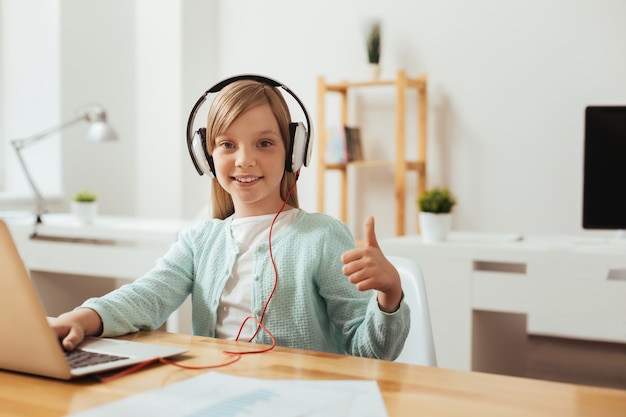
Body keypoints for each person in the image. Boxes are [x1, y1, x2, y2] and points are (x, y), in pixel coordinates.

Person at [48, 76, 410, 360]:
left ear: (293, 153)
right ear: (206, 157)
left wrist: (389, 295)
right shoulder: (198, 241)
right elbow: (147, 296)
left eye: (264, 143)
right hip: (218, 394)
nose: (244, 160)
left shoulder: (322, 237)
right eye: (228, 144)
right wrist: (82, 317)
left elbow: (372, 353)